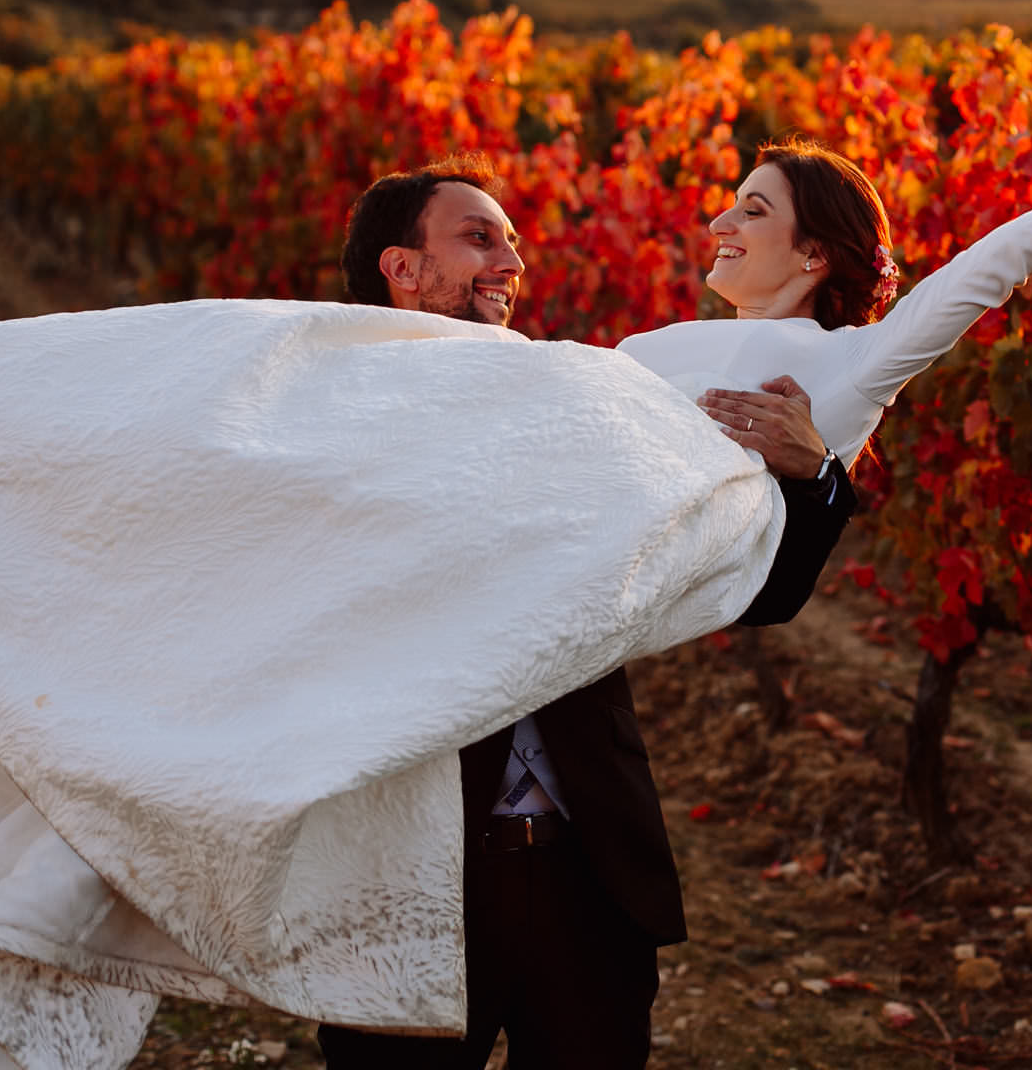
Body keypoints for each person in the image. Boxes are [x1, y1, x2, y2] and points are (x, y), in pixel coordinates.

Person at [317, 158, 858, 1070]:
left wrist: (818, 481)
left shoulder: (570, 406)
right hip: (406, 887)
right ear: (401, 269)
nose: (511, 262)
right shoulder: (326, 427)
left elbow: (760, 593)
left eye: (513, 243)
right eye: (478, 238)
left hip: (589, 876)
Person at [624, 78, 1032, 461]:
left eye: (753, 211)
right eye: (731, 207)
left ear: (814, 255)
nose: (718, 226)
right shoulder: (654, 345)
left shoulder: (852, 363)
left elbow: (994, 261)